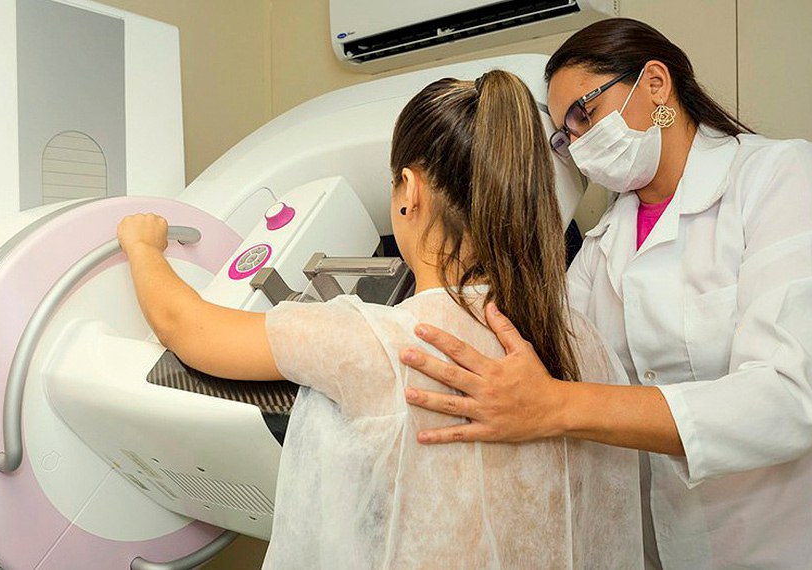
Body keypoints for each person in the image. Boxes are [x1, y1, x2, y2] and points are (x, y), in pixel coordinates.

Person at [117, 71, 643, 568]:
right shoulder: (584, 341)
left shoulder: (376, 340)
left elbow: (185, 326)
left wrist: (142, 245)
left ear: (408, 191)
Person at [399, 17, 812, 570]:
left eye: (585, 114)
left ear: (655, 84)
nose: (579, 145)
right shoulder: (602, 248)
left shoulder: (781, 177)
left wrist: (556, 407)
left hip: (781, 545)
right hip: (662, 547)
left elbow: (788, 399)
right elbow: (536, 354)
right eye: (565, 136)